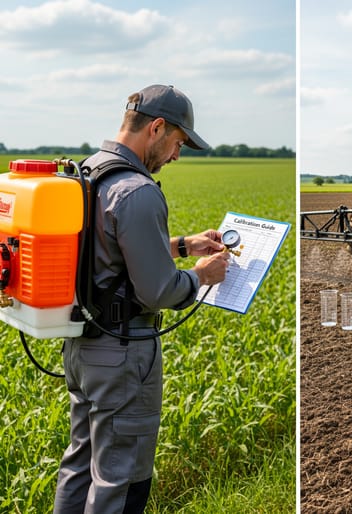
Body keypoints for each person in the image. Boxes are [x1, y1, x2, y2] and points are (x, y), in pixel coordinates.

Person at [53, 85, 231, 513]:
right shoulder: (138, 190)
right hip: (124, 355)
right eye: (178, 143)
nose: (176, 155)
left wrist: (183, 246)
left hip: (82, 347)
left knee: (80, 468)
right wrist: (201, 277)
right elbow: (159, 292)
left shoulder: (87, 172)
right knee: (120, 482)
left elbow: (105, 253)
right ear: (156, 128)